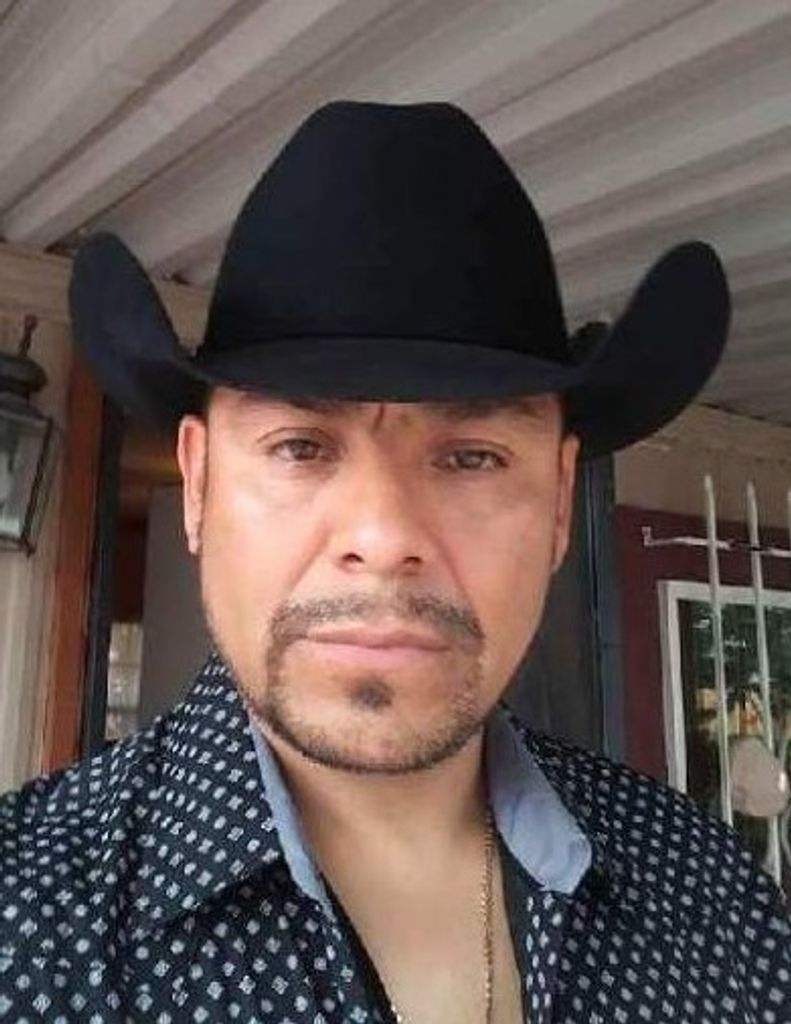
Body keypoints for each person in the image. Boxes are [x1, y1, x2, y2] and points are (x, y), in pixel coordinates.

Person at [1, 101, 788, 1024]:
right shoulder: (23, 920)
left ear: (557, 503)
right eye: (300, 447)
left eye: (471, 457)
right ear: (200, 484)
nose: (381, 536)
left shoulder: (711, 893)